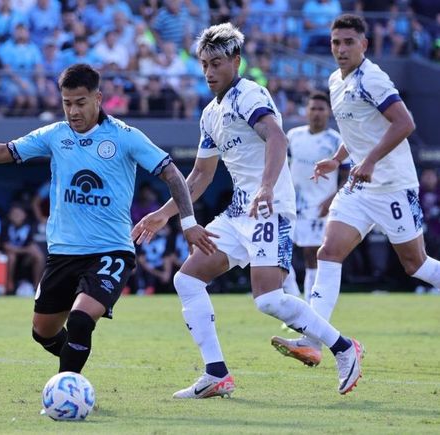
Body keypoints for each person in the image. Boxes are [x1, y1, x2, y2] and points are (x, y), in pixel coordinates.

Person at [0, 63, 216, 377]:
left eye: (80, 102)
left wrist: (187, 223)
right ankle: (73, 369)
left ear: (98, 98)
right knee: (43, 332)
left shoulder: (125, 137)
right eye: (67, 103)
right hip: (63, 252)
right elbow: (5, 152)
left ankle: (69, 387)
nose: (73, 111)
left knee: (80, 320)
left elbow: (173, 175)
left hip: (110, 251)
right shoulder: (55, 135)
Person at [131, 23, 363, 399]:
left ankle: (343, 347)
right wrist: (163, 213)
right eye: (205, 64)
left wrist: (268, 187)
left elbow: (277, 137)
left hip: (271, 210)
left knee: (268, 299)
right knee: (187, 280)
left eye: (217, 63)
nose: (209, 72)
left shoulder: (249, 94)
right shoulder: (210, 114)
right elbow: (201, 176)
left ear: (236, 61)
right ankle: (216, 373)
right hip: (239, 213)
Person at [272, 14, 440, 367]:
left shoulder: (373, 79)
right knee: (328, 252)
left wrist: (371, 161)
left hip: (393, 186)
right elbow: (357, 131)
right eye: (336, 42)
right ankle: (313, 340)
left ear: (364, 45)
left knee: (415, 264)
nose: (341, 48)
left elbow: (405, 123)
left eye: (349, 42)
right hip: (360, 187)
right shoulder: (335, 80)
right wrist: (337, 159)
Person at [280, 92, 347, 301]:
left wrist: (332, 199)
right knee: (278, 249)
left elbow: (346, 176)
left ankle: (310, 303)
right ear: (306, 111)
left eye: (321, 109)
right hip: (292, 203)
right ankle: (293, 296)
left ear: (328, 112)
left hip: (319, 205)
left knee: (312, 254)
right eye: (313, 108)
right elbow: (282, 166)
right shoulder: (293, 136)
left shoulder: (336, 140)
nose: (316, 113)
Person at [1, 202, 44, 294]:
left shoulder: (30, 226)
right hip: (9, 256)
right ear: (9, 215)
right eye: (14, 214)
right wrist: (23, 250)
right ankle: (8, 284)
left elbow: (32, 246)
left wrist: (24, 250)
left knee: (38, 255)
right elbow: (6, 246)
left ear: (24, 215)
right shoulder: (5, 225)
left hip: (25, 258)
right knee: (11, 256)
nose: (16, 216)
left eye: (19, 214)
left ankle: (37, 286)